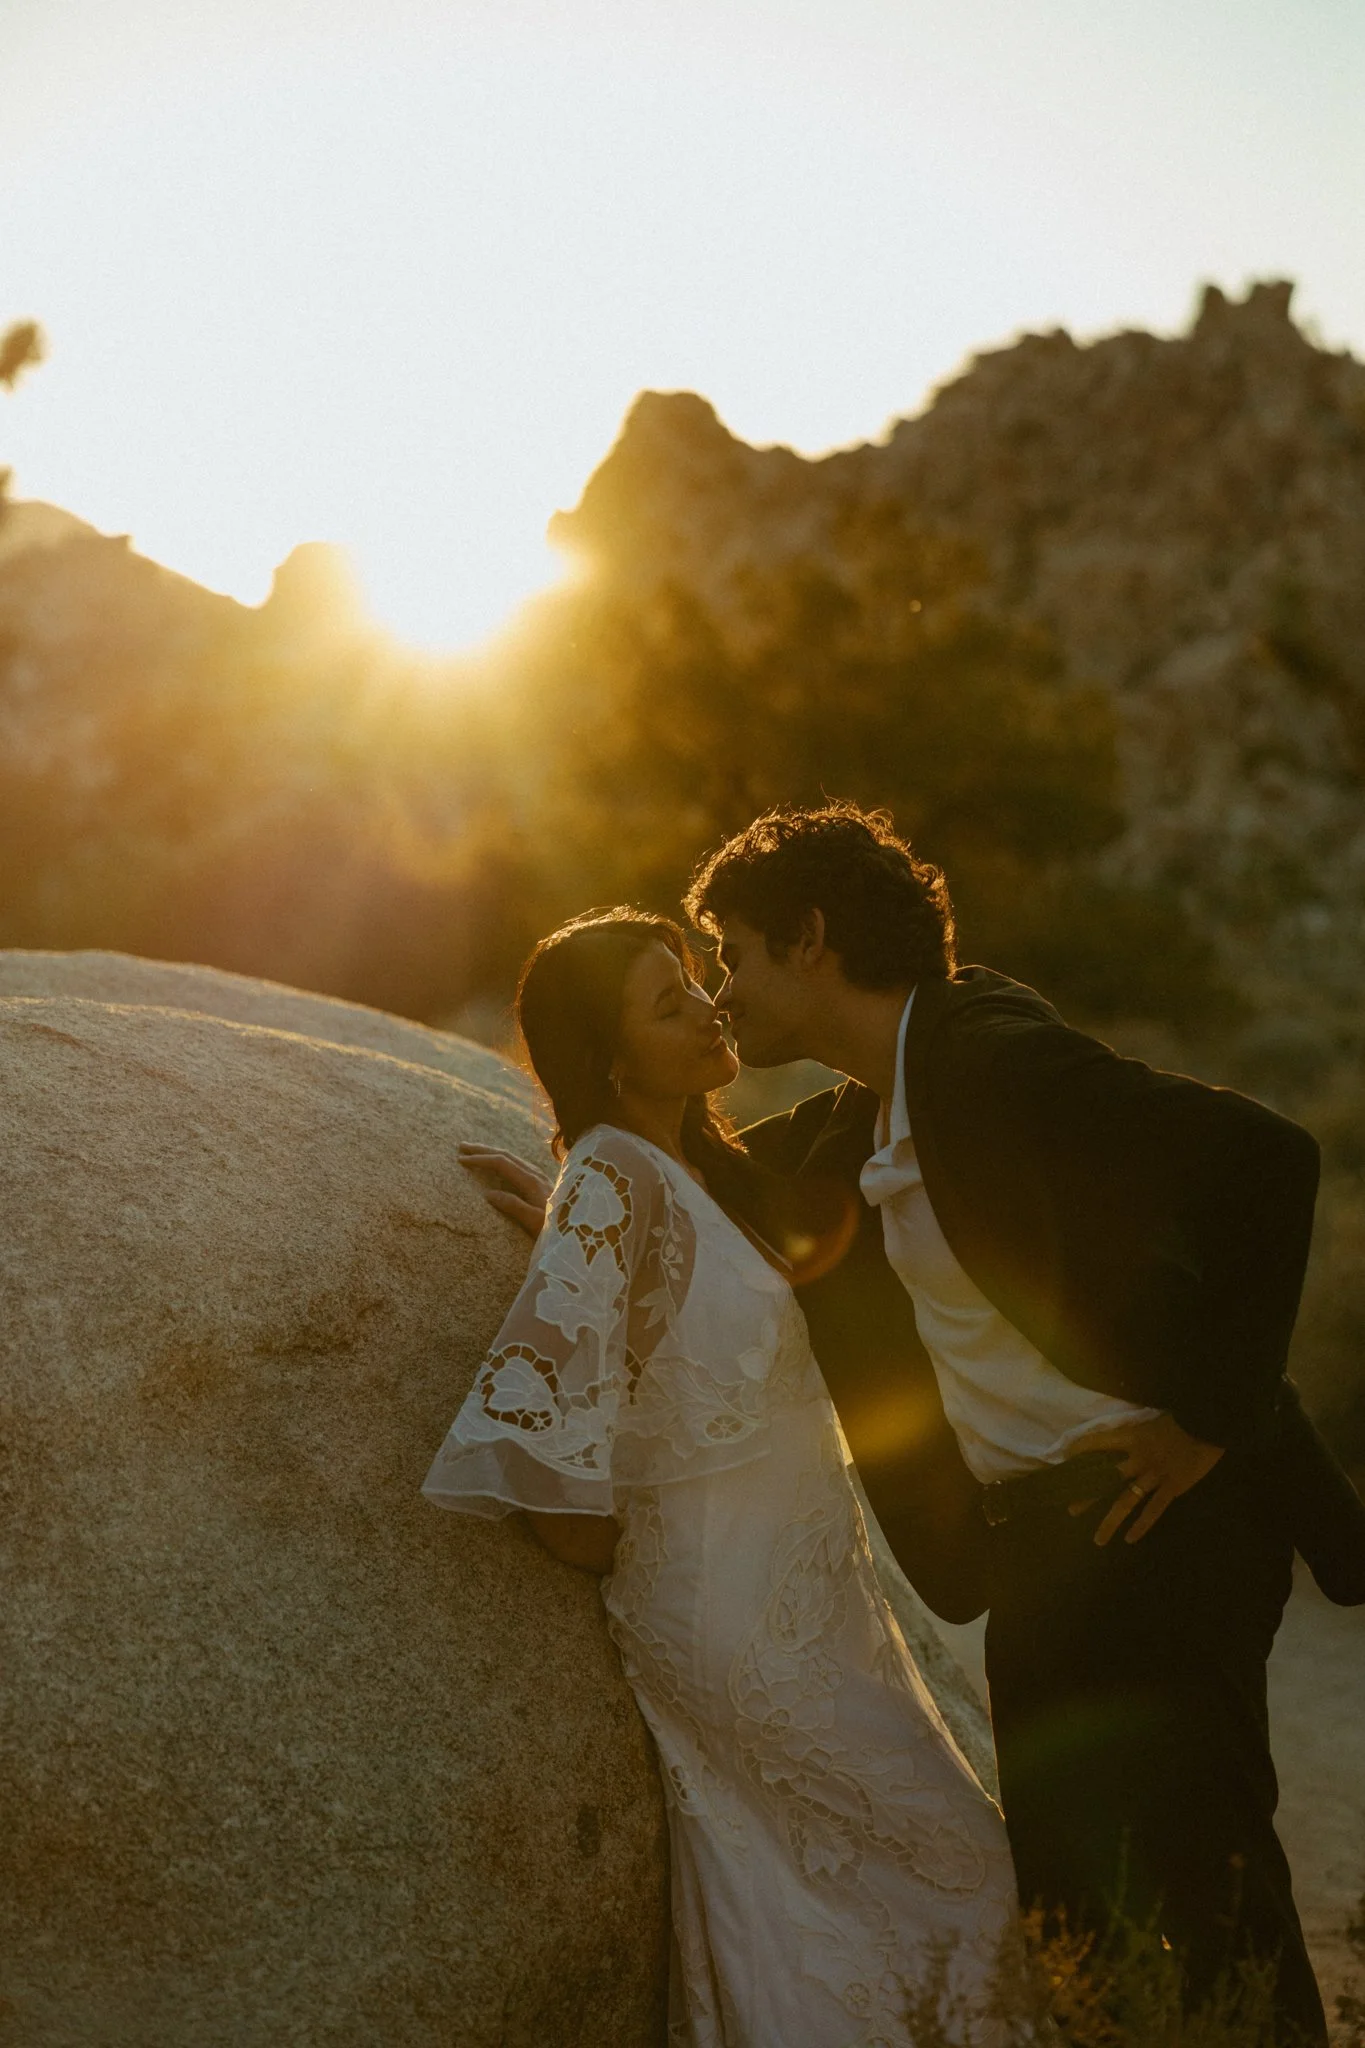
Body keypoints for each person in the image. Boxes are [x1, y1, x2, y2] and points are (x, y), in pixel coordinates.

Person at [680, 801, 1365, 2047]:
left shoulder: (990, 1057)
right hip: (1037, 1552)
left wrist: (1207, 1421)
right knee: (1069, 1918)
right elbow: (725, 1182)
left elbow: (1272, 1157)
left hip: (1172, 1521)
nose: (722, 991)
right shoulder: (865, 1113)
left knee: (1213, 1898)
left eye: (732, 953)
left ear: (812, 937)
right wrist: (591, 1186)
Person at [423, 908, 1018, 2048]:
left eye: (699, 981)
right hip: (731, 1624)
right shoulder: (611, 1176)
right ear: (609, 1058)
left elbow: (668, 1312)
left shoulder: (686, 1170)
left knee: (847, 1896)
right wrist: (634, 1549)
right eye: (668, 1002)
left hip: (813, 1615)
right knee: (956, 1868)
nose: (709, 1008)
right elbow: (542, 1442)